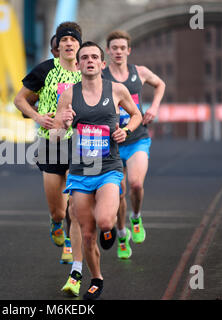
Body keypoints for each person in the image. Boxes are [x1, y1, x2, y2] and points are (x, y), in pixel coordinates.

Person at [54, 41, 142, 300]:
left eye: (95, 57)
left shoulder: (116, 90)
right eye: (85, 57)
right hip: (80, 171)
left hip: (109, 169)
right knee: (87, 232)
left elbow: (136, 115)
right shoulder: (69, 94)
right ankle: (96, 279)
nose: (90, 61)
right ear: (78, 65)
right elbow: (57, 135)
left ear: (102, 64)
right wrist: (65, 123)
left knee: (105, 221)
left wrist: (125, 131)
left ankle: (111, 229)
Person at [14, 22, 84, 294]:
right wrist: (37, 116)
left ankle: (73, 258)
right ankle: (56, 224)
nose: (69, 44)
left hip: (80, 144)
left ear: (79, 45)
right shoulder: (45, 70)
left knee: (75, 207)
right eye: (64, 40)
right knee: (58, 209)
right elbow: (20, 100)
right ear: (59, 45)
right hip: (51, 143)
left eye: (73, 40)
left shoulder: (87, 72)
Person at [102, 30, 165, 259]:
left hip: (137, 137)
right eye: (114, 48)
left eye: (122, 48)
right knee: (118, 194)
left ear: (129, 50)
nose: (118, 52)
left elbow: (160, 85)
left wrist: (154, 108)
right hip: (111, 142)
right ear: (108, 51)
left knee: (136, 184)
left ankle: (136, 218)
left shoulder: (140, 72)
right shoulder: (101, 73)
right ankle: (121, 234)